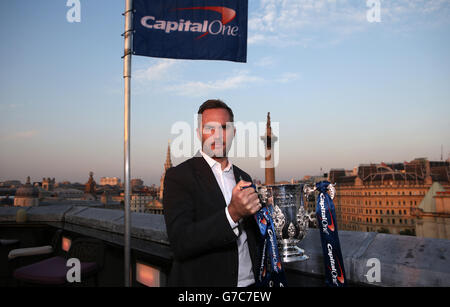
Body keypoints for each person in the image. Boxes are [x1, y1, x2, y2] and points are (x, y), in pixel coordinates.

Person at [163, 99, 262, 287]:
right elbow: (180, 242)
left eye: (224, 127)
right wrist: (233, 213)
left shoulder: (244, 176)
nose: (217, 136)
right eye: (210, 128)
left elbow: (252, 236)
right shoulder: (179, 176)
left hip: (251, 285)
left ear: (234, 133)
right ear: (199, 133)